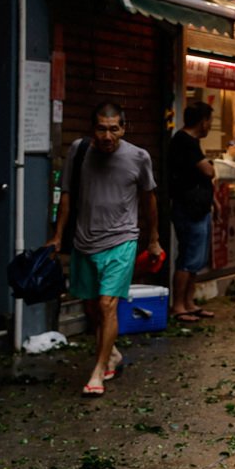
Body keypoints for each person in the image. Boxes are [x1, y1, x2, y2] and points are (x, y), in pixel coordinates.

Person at [47, 102, 163, 396]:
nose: (107, 135)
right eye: (101, 128)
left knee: (106, 304)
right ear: (92, 129)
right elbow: (68, 195)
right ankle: (111, 354)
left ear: (123, 129)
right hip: (84, 242)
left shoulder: (139, 157)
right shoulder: (79, 150)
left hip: (121, 241)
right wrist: (58, 236)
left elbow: (150, 199)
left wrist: (153, 239)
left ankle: (98, 372)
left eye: (114, 129)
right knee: (91, 306)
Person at [168, 102, 217, 324]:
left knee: (196, 259)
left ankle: (189, 302)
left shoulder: (191, 142)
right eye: (209, 121)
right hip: (189, 209)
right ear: (202, 121)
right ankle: (179, 305)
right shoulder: (184, 141)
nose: (210, 126)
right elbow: (207, 170)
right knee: (188, 258)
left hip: (198, 208)